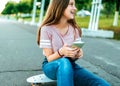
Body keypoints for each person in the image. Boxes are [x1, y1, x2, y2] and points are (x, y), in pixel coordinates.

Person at [36, 0, 110, 86]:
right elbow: (49, 59)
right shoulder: (46, 29)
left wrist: (76, 54)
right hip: (51, 66)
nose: (75, 8)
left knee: (101, 84)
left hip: (70, 65)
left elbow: (72, 59)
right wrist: (61, 52)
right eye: (71, 4)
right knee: (63, 62)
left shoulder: (75, 29)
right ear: (60, 6)